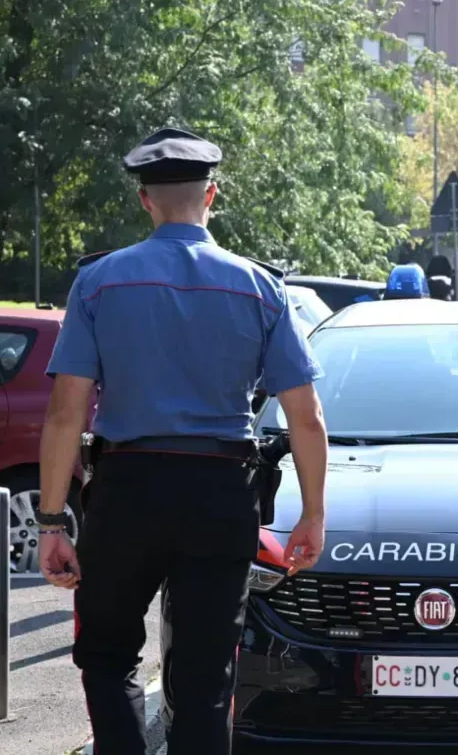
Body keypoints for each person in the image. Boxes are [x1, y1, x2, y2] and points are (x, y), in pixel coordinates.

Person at [35, 127, 329, 755]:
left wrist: (54, 520)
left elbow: (65, 414)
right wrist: (312, 514)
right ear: (212, 196)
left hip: (128, 488)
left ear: (145, 200)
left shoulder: (99, 283)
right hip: (221, 493)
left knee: (108, 655)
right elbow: (306, 418)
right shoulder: (260, 286)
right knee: (205, 676)